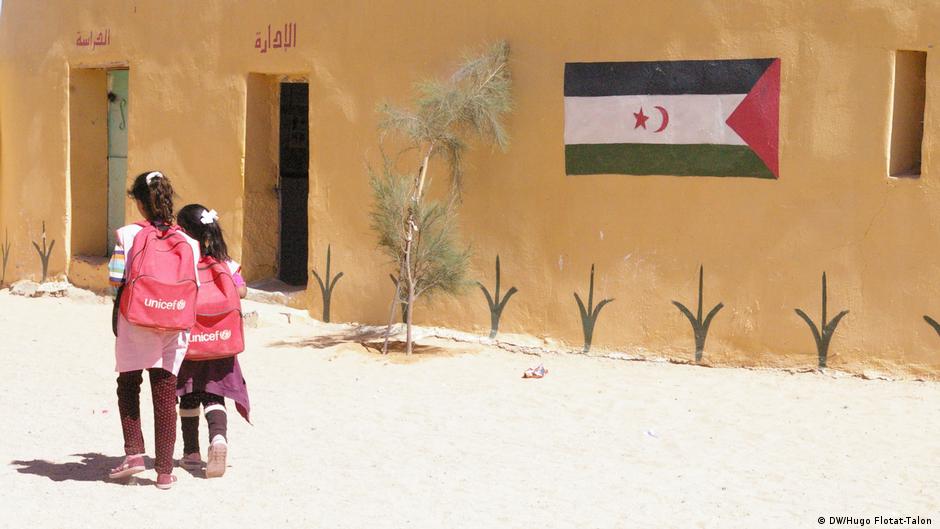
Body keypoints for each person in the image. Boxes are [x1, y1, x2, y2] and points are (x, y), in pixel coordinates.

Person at [107, 171, 200, 490]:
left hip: (135, 319)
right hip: (173, 322)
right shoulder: (189, 241)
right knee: (164, 392)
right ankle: (163, 471)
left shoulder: (127, 235)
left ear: (139, 203)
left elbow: (115, 279)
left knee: (129, 384)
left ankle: (134, 454)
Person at [175, 204, 251, 479]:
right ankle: (218, 440)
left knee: (187, 395)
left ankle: (191, 453)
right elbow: (241, 290)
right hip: (220, 343)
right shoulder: (225, 262)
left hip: (190, 343)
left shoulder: (183, 263)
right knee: (214, 394)